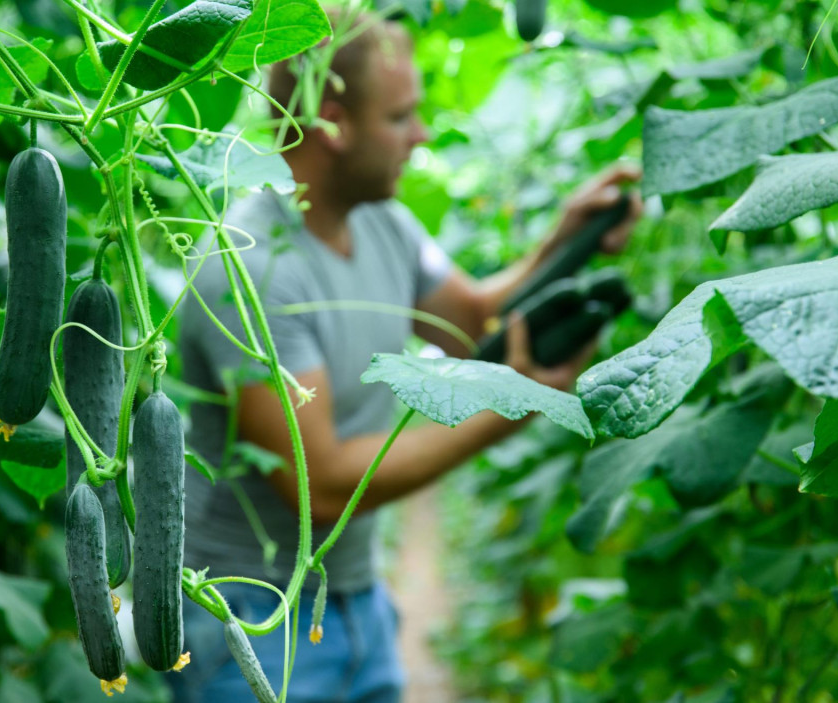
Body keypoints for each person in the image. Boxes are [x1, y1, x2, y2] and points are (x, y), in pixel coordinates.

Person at [169, 12, 641, 703]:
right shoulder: (248, 268)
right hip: (251, 627)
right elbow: (320, 484)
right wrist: (501, 415)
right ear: (332, 123)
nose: (421, 136)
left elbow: (471, 323)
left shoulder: (382, 219)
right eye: (401, 117)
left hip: (356, 606)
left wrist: (563, 238)